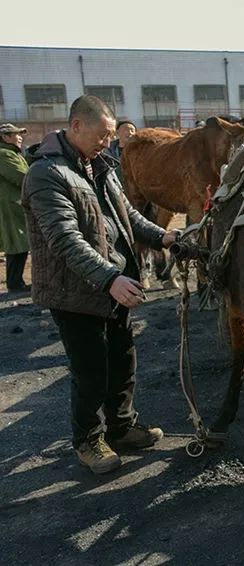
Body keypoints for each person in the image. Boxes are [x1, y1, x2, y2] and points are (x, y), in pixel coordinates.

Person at [21, 96, 179, 474]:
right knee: (90, 369)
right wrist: (109, 278)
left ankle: (122, 428)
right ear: (76, 126)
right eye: (104, 135)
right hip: (76, 291)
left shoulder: (100, 166)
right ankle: (89, 440)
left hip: (115, 284)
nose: (109, 142)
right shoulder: (46, 175)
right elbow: (64, 239)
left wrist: (167, 239)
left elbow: (130, 217)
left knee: (122, 360)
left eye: (112, 136)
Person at [0, 123, 31, 293]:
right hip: (10, 206)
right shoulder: (4, 154)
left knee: (19, 243)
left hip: (14, 204)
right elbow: (21, 177)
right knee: (16, 243)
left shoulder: (11, 153)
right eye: (16, 134)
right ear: (5, 137)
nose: (20, 137)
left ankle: (16, 282)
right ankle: (14, 283)